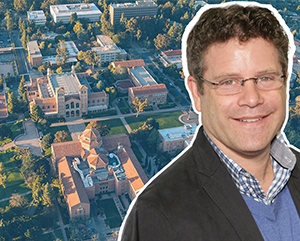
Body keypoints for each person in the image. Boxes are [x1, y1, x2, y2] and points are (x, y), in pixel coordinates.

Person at [118, 2, 300, 240]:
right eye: (229, 82)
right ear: (197, 93)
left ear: (285, 84)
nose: (252, 98)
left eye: (265, 78)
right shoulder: (158, 215)